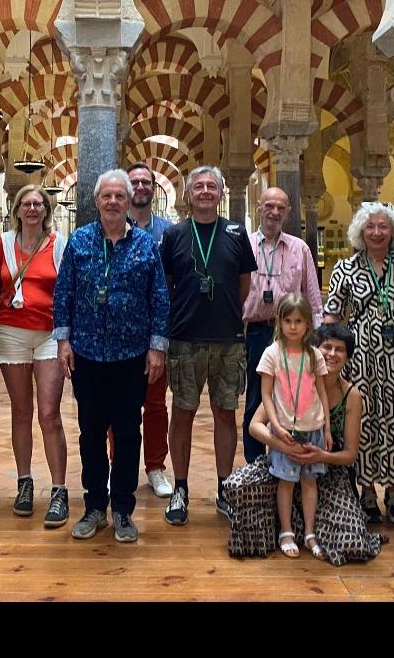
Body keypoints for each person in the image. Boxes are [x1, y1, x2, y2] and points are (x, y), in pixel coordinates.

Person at [53, 170, 169, 544]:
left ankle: (122, 509)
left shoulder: (145, 244)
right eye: (108, 196)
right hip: (87, 354)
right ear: (97, 201)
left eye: (120, 195)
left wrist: (157, 347)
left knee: (127, 433)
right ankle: (93, 507)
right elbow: (64, 293)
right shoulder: (80, 241)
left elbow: (159, 296)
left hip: (131, 356)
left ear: (128, 200)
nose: (114, 201)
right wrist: (63, 342)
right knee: (90, 433)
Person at [224, 322, 387, 566]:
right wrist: (283, 446)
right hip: (282, 464)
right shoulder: (289, 381)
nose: (332, 354)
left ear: (348, 356)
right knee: (239, 487)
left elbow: (350, 454)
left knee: (351, 542)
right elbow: (254, 426)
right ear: (314, 351)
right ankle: (287, 529)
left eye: (340, 350)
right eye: (327, 347)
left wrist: (319, 455)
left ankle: (307, 530)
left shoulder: (351, 395)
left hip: (326, 475)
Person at [323, 201, 394, 527]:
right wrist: (326, 354)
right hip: (362, 359)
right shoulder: (345, 268)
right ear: (360, 231)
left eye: (383, 227)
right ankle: (367, 492)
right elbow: (332, 314)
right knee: (364, 422)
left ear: (393, 232)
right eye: (370, 227)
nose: (376, 233)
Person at [160, 165, 256, 525]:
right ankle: (181, 488)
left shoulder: (236, 233)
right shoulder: (174, 235)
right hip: (185, 338)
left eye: (211, 186)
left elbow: (244, 283)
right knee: (182, 412)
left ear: (220, 193)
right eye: (198, 186)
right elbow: (167, 284)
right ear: (188, 194)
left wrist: (227, 312)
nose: (204, 191)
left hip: (228, 339)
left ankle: (224, 488)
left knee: (225, 414)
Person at [0, 185, 70, 527]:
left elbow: (66, 289)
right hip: (11, 333)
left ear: (46, 210)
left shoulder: (59, 244)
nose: (33, 208)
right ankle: (24, 483)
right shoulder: (3, 243)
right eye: (26, 203)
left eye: (38, 203)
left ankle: (59, 489)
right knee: (21, 412)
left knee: (49, 414)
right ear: (17, 209)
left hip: (50, 333)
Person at [242, 186, 323, 465]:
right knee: (256, 399)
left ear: (288, 212)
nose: (274, 212)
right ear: (259, 207)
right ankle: (256, 464)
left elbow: (312, 297)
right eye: (269, 206)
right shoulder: (245, 245)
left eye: (280, 207)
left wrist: (315, 337)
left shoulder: (300, 248)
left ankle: (290, 462)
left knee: (294, 398)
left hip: (294, 336)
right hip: (256, 331)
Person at [257, 292, 331, 558]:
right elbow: (266, 394)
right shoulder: (272, 353)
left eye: (298, 321)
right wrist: (276, 426)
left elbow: (322, 392)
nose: (292, 326)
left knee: (310, 481)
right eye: (287, 320)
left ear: (308, 324)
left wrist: (327, 427)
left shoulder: (314, 355)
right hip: (285, 431)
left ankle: (309, 532)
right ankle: (286, 531)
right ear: (279, 321)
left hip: (313, 428)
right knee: (286, 482)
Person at [125, 162, 174, 497]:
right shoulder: (112, 227)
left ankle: (156, 467)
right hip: (120, 334)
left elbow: (172, 284)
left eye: (146, 182)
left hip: (156, 332)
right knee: (120, 406)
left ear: (153, 189)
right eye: (135, 182)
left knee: (155, 405)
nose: (141, 187)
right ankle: (120, 466)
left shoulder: (168, 232)